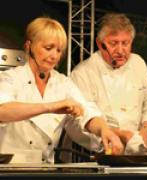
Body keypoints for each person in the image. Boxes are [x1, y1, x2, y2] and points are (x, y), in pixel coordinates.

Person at [0, 16, 124, 164]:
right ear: (29, 46)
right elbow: (3, 110)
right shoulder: (10, 78)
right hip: (9, 168)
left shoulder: (63, 83)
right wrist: (50, 107)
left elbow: (87, 112)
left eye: (59, 50)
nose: (54, 56)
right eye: (48, 48)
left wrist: (104, 130)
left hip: (44, 169)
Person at [65, 12, 147, 157]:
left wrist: (146, 130)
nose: (121, 50)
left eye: (125, 43)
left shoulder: (138, 63)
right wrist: (115, 135)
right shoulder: (83, 72)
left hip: (134, 151)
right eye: (114, 43)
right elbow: (76, 122)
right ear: (100, 44)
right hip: (95, 152)